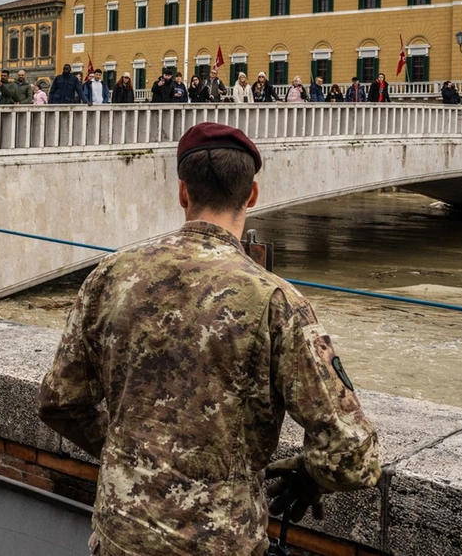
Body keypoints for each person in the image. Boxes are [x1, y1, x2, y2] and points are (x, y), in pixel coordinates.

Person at [38, 121, 381, 556]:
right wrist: (308, 474)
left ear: (183, 192)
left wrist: (133, 457)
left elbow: (60, 401)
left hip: (121, 536)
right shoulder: (275, 301)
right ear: (252, 194)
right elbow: (353, 452)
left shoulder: (111, 276)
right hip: (222, 543)